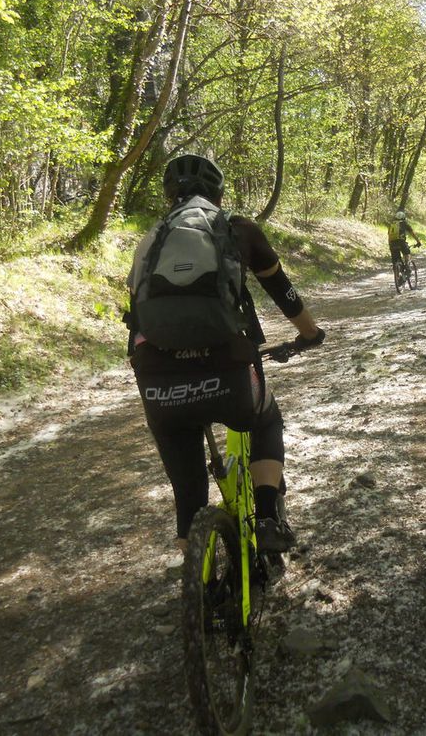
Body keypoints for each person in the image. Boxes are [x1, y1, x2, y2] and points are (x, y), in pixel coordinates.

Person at [125, 154, 325, 554]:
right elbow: (283, 292)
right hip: (226, 371)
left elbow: (139, 317)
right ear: (218, 192)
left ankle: (194, 576)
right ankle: (268, 516)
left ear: (169, 196)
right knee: (266, 418)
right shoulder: (238, 229)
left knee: (187, 492)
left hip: (158, 381)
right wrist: (310, 333)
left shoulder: (149, 242)